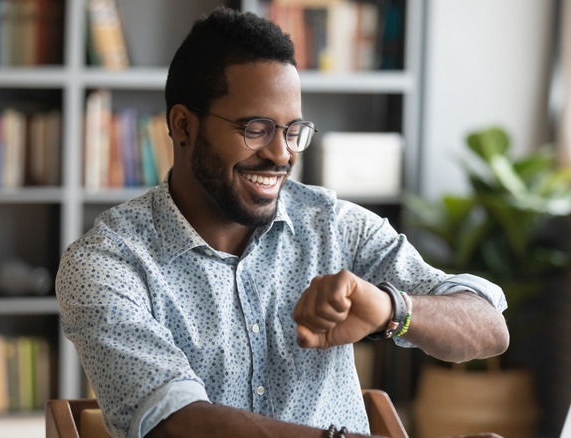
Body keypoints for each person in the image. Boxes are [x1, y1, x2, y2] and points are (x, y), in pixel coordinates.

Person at [55, 7, 509, 438]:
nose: (281, 154)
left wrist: (393, 309)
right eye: (256, 128)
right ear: (183, 126)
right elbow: (174, 421)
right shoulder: (105, 263)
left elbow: (489, 328)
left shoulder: (333, 225)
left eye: (292, 131)